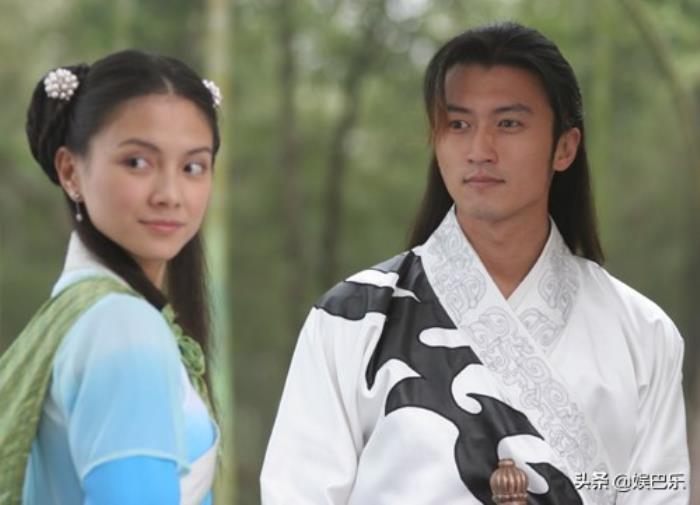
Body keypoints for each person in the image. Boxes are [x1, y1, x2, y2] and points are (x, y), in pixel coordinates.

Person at [260, 22, 689, 504]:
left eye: (509, 124)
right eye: (459, 125)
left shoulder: (642, 333)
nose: (480, 151)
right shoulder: (353, 318)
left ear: (564, 147)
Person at [0, 50, 222, 505]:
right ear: (70, 171)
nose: (170, 194)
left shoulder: (74, 316)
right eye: (137, 162)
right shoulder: (123, 325)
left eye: (192, 167)